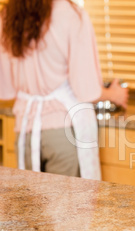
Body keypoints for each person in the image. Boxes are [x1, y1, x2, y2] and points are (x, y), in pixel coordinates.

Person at [0, 0, 128, 179]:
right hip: (65, 131)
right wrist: (115, 94)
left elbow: (6, 88)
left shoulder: (8, 16)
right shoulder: (72, 15)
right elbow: (86, 89)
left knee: (33, 205)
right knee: (70, 205)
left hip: (26, 131)